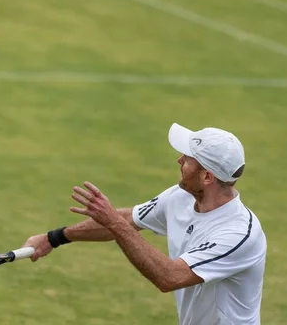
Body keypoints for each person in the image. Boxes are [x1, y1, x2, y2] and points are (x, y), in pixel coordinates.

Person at [23, 123, 267, 325]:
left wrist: (114, 223)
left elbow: (169, 277)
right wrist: (55, 237)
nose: (179, 160)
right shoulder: (180, 197)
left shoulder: (238, 234)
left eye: (188, 159)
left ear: (207, 177)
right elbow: (129, 219)